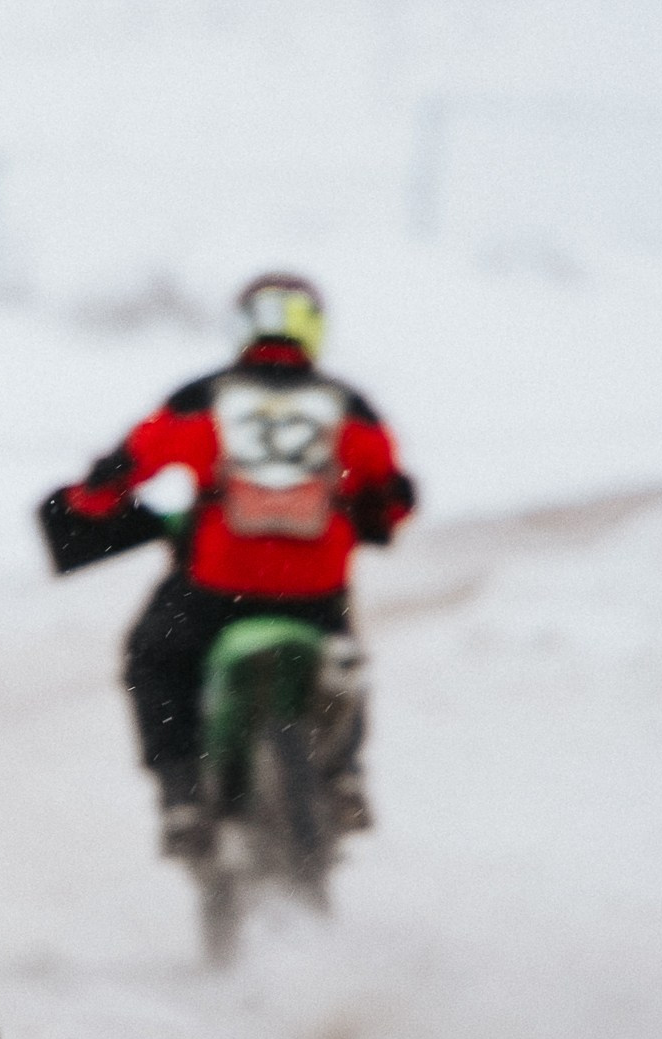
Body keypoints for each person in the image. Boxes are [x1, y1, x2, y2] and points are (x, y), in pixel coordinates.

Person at [39, 272, 415, 852]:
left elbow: (123, 468)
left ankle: (182, 797)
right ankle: (344, 775)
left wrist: (88, 504)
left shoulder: (204, 398)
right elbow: (390, 502)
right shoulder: (352, 408)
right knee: (344, 663)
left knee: (153, 657)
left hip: (218, 590)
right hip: (315, 597)